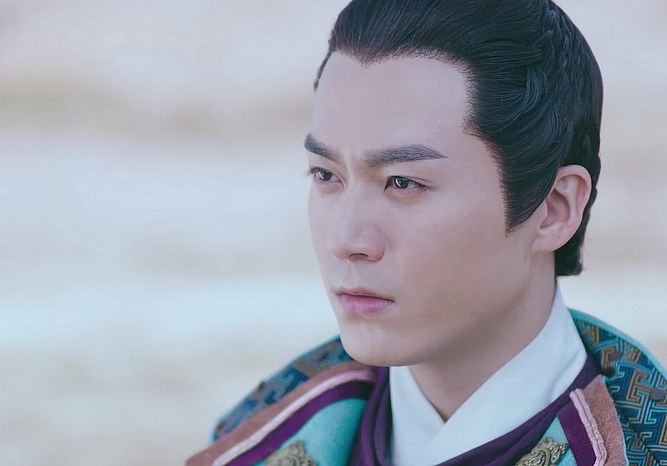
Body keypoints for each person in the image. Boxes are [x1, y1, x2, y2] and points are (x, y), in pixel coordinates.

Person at [187, 1, 667, 464]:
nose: (346, 240)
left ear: (553, 209)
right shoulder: (249, 439)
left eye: (403, 182)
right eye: (326, 174)